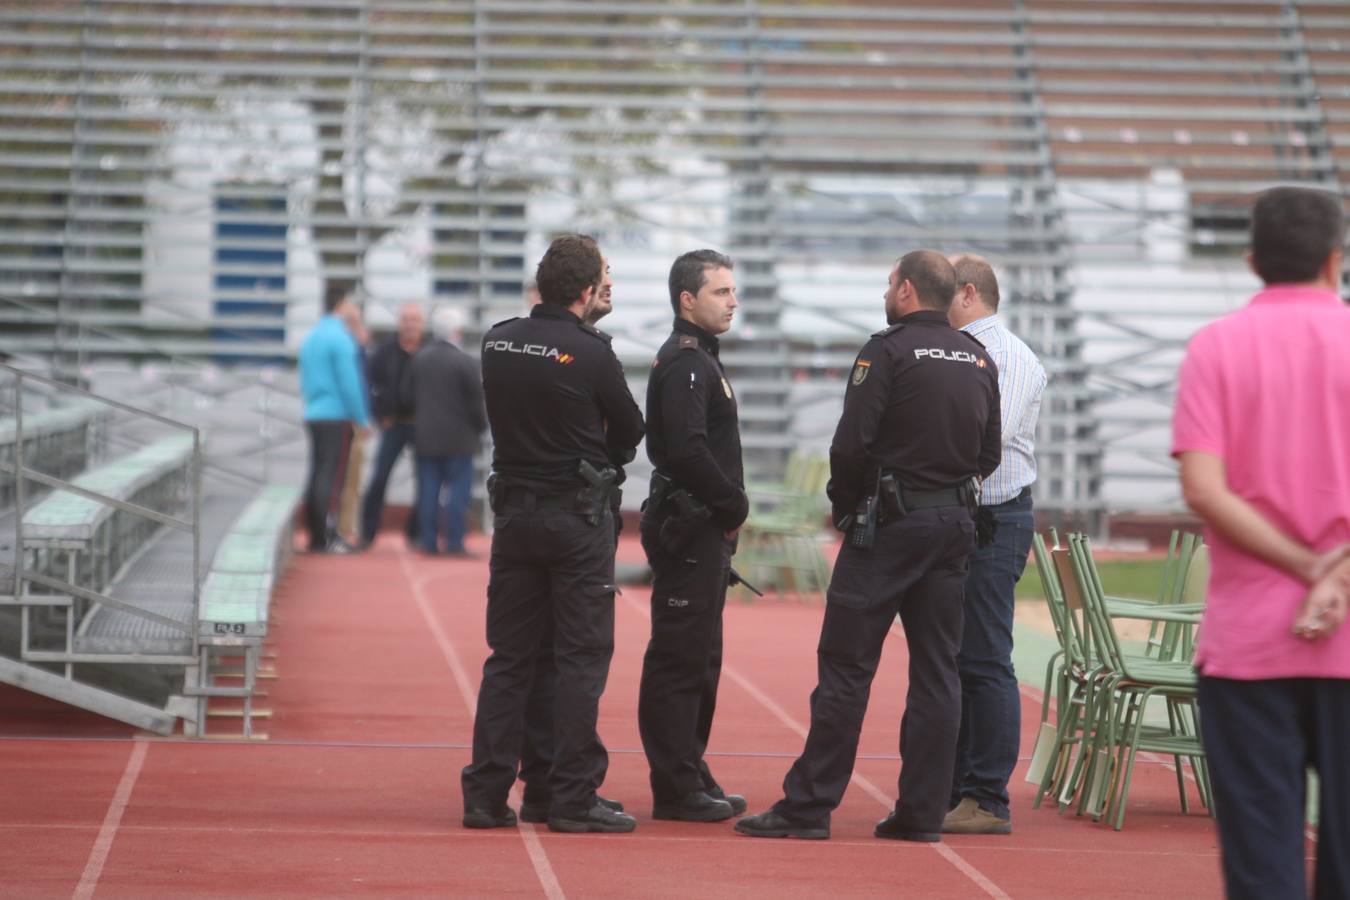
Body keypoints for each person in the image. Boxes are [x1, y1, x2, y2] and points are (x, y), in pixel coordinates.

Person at [737, 249, 1001, 841]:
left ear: (906, 291)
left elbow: (851, 444)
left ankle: (808, 808)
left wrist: (844, 507)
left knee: (846, 669)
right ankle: (922, 814)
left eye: (889, 284)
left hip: (888, 528)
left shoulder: (885, 351)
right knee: (938, 673)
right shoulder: (979, 360)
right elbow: (990, 455)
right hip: (953, 527)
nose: (887, 293)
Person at [1172, 186, 1350, 899]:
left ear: (1252, 261)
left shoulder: (1215, 346)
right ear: (1336, 260)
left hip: (1247, 645)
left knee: (1261, 860)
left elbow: (1205, 491)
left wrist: (1310, 565)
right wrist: (1333, 573)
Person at [461, 234, 644, 834]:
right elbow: (630, 429)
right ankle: (570, 796)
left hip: (513, 518)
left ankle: (488, 795)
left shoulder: (498, 339)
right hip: (577, 521)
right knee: (578, 659)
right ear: (588, 290)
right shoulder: (591, 352)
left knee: (510, 659)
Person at [637, 249, 749, 823]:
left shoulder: (702, 357)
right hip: (692, 525)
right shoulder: (685, 361)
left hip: (704, 527)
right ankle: (675, 785)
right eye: (720, 292)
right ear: (688, 300)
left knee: (702, 657)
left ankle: (690, 770)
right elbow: (686, 449)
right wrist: (734, 502)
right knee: (680, 659)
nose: (733, 301)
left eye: (732, 291)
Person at [943, 254, 1047, 835]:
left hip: (996, 517)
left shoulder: (1004, 356)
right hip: (974, 517)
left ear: (966, 294)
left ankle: (987, 797)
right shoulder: (974, 352)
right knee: (961, 658)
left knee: (983, 659)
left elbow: (987, 443)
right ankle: (961, 787)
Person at [402, 306, 486, 557]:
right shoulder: (465, 362)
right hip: (460, 438)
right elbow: (476, 401)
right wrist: (481, 426)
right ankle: (454, 541)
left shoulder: (419, 358)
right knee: (458, 491)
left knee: (428, 490)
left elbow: (406, 397)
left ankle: (428, 541)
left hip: (426, 436)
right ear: (457, 332)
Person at [297, 284, 370, 553]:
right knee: (333, 477)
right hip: (336, 415)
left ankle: (316, 534)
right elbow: (350, 382)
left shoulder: (312, 336)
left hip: (315, 412)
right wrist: (361, 418)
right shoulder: (340, 337)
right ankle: (328, 534)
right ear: (341, 305)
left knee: (317, 473)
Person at [359, 302, 426, 549]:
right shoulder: (385, 351)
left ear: (422, 324)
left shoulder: (429, 351)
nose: (410, 324)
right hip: (393, 424)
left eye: (414, 319)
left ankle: (416, 533)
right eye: (406, 319)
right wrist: (378, 414)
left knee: (425, 481)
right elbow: (367, 383)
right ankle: (368, 531)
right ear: (399, 322)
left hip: (421, 426)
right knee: (379, 477)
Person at [336, 302, 371, 546]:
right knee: (349, 478)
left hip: (345, 420)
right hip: (349, 422)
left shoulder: (355, 351)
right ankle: (343, 529)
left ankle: (344, 527)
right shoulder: (351, 351)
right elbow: (353, 387)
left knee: (351, 479)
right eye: (356, 322)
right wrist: (362, 419)